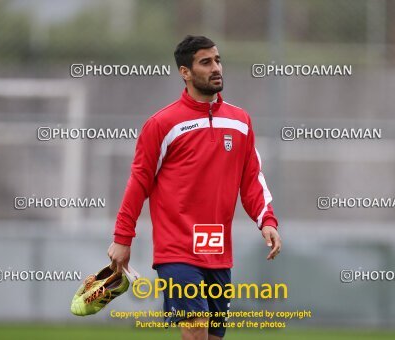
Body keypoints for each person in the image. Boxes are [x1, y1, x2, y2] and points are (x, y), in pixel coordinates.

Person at [108, 35, 281, 340]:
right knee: (196, 331)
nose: (216, 68)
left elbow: (252, 178)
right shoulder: (162, 124)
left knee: (213, 336)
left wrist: (266, 220)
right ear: (185, 72)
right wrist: (123, 238)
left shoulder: (240, 121)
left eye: (217, 60)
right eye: (206, 62)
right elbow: (139, 182)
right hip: (176, 250)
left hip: (218, 251)